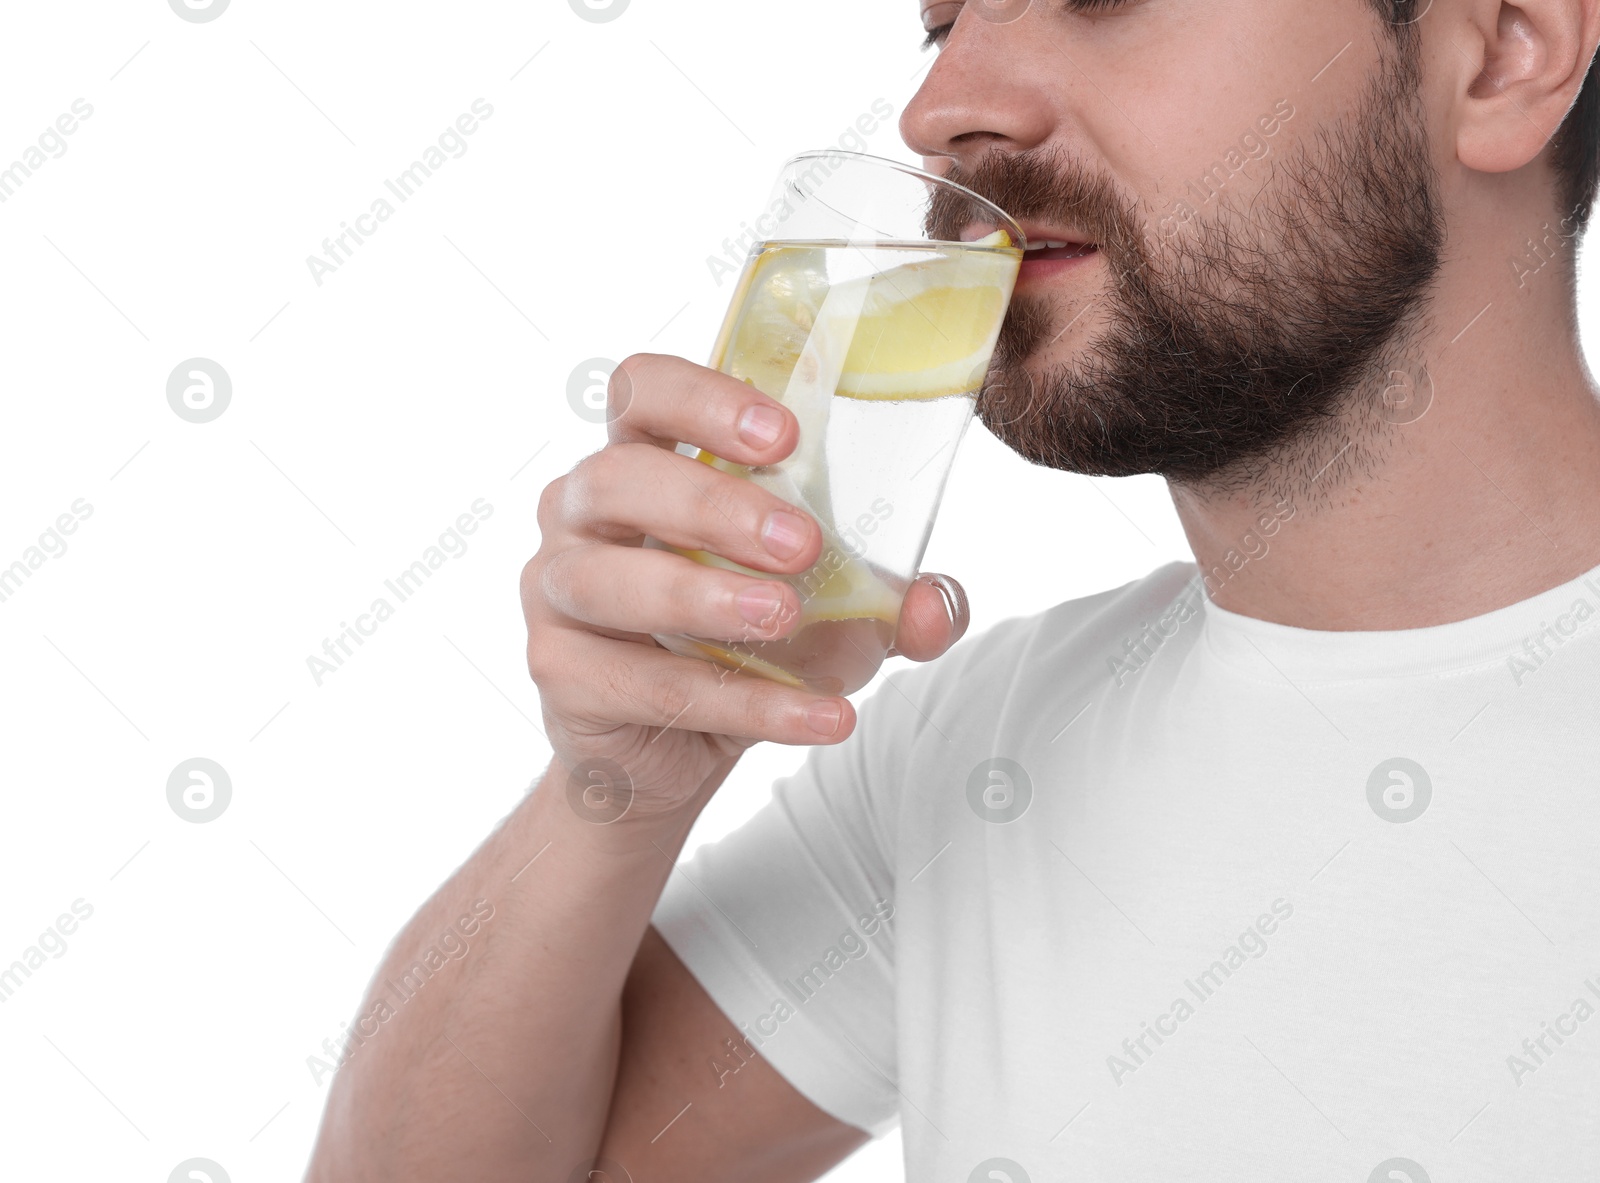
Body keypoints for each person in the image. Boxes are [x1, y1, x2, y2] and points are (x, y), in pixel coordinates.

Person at [305, 1, 1600, 1179]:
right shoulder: (978, 761)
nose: (942, 108)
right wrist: (622, 787)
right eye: (940, 22)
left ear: (1504, 50)